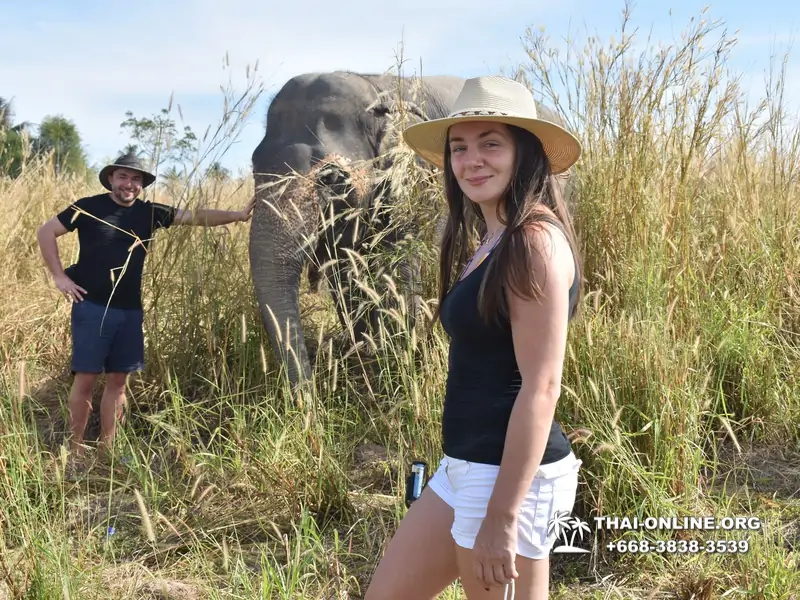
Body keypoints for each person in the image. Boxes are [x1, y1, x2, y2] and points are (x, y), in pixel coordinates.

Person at [364, 76, 584, 600]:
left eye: (491, 143)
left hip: (508, 483)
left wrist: (503, 518)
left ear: (523, 153)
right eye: (459, 147)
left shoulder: (532, 240)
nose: (471, 160)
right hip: (464, 466)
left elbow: (542, 387)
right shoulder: (493, 238)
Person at [36, 153, 255, 467]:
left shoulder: (150, 212)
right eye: (123, 177)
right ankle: (75, 451)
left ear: (142, 184)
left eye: (136, 179)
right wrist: (59, 276)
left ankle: (107, 452)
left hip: (129, 311)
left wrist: (237, 215)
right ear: (111, 179)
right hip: (92, 306)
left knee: (118, 383)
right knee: (85, 379)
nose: (129, 184)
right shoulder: (88, 207)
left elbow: (194, 216)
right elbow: (46, 232)